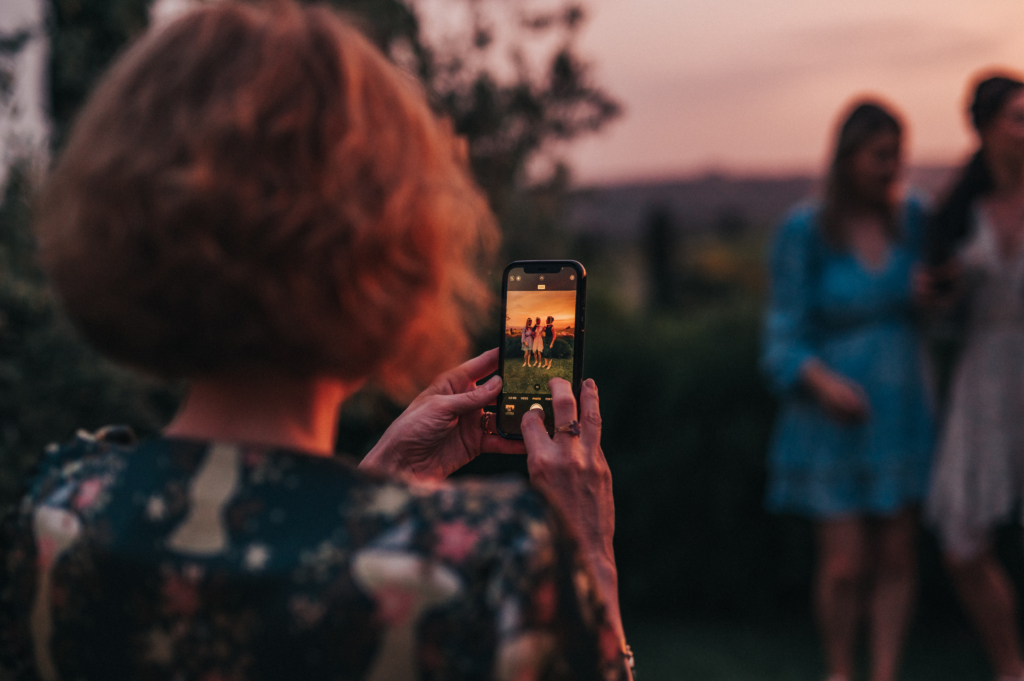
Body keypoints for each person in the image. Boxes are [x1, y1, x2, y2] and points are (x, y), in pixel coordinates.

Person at [0, 4, 632, 681]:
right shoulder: (490, 566)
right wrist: (587, 563)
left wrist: (375, 484)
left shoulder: (60, 512)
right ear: (394, 244)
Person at [762, 101, 934, 681]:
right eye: (879, 155)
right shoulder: (804, 229)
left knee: (897, 557)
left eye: (898, 156)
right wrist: (823, 383)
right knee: (843, 564)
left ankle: (884, 672)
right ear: (846, 157)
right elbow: (781, 335)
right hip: (830, 418)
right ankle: (840, 670)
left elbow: (938, 301)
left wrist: (934, 295)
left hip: (902, 406)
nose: (892, 167)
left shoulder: (913, 217)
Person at [922, 73, 1024, 681]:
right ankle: (1010, 665)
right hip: (986, 373)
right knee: (962, 537)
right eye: (1018, 116)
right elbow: (937, 311)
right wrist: (933, 294)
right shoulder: (958, 208)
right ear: (985, 128)